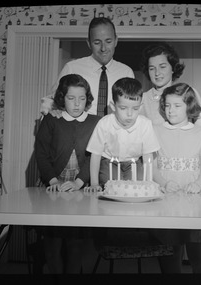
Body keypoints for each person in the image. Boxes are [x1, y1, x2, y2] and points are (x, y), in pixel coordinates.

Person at [152, 82, 201, 273]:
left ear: (189, 106)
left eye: (177, 106)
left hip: (194, 203)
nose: (170, 110)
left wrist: (198, 184)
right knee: (170, 256)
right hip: (166, 202)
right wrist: (164, 183)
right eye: (167, 105)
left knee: (198, 257)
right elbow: (151, 168)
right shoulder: (155, 131)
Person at [139, 42, 201, 192]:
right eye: (151, 68)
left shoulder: (188, 93)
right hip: (159, 181)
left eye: (162, 66)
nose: (157, 73)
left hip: (190, 181)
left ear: (173, 68)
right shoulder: (142, 100)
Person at [35, 74, 100, 273]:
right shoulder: (51, 121)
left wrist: (80, 182)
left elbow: (95, 156)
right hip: (52, 189)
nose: (77, 104)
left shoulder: (95, 122)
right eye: (71, 98)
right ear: (62, 98)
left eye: (82, 98)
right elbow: (41, 153)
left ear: (87, 99)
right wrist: (53, 180)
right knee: (52, 245)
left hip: (79, 193)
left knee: (75, 245)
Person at [40, 16, 134, 117]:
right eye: (97, 43)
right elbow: (51, 100)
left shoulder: (126, 72)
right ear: (89, 43)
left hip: (114, 131)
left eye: (108, 41)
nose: (103, 48)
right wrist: (51, 111)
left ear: (116, 40)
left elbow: (132, 107)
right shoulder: (72, 68)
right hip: (79, 130)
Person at [85, 77, 160, 190]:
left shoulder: (145, 124)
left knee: (135, 188)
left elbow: (148, 157)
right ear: (113, 106)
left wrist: (148, 183)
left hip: (134, 162)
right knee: (112, 187)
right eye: (123, 108)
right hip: (110, 162)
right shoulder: (104, 123)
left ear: (141, 106)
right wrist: (94, 184)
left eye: (135, 109)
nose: (129, 114)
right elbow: (95, 154)